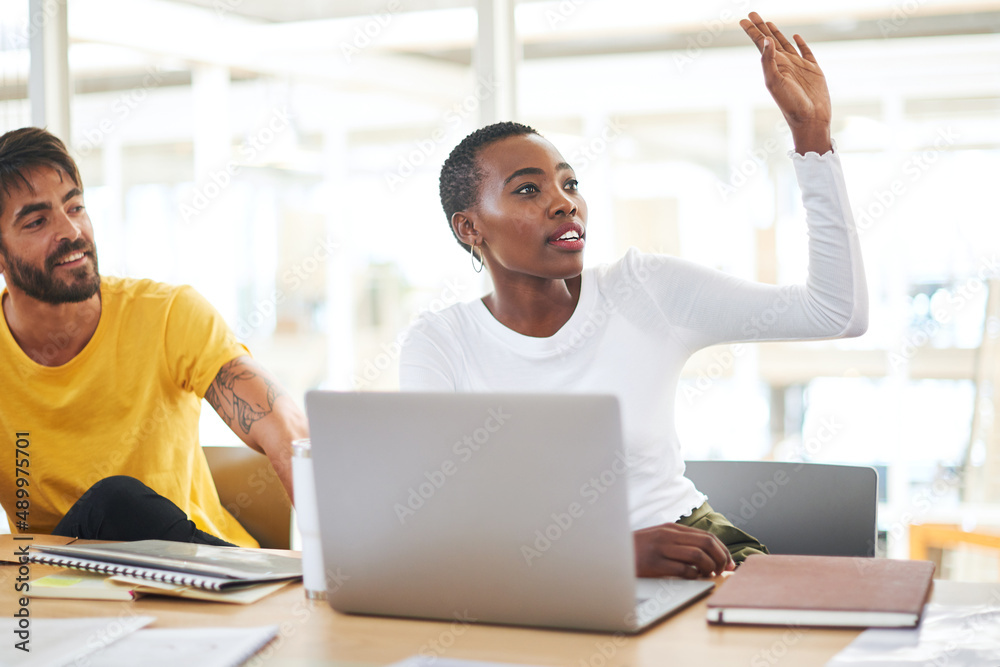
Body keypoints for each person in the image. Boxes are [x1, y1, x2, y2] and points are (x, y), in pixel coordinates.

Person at [399, 13, 868, 578]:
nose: (564, 203)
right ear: (469, 228)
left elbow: (836, 312)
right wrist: (607, 554)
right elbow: (436, 516)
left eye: (569, 184)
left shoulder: (645, 289)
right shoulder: (439, 343)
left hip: (689, 553)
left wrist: (811, 136)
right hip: (530, 570)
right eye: (528, 189)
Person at [0, 127, 307, 547]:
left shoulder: (167, 314)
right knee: (112, 504)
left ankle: (260, 579)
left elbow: (283, 425)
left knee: (116, 501)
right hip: (64, 593)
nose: (71, 231)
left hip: (202, 579)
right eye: (37, 221)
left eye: (75, 206)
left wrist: (337, 562)